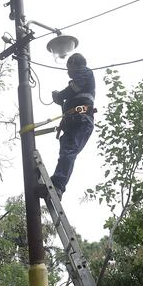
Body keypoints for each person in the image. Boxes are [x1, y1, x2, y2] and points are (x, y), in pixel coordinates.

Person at [48, 53, 95, 198]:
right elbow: (73, 93)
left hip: (80, 120)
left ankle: (57, 185)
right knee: (66, 153)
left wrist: (60, 95)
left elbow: (74, 88)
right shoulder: (81, 80)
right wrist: (61, 100)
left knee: (68, 152)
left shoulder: (85, 71)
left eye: (68, 68)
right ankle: (57, 184)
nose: (68, 72)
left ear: (73, 62)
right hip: (74, 120)